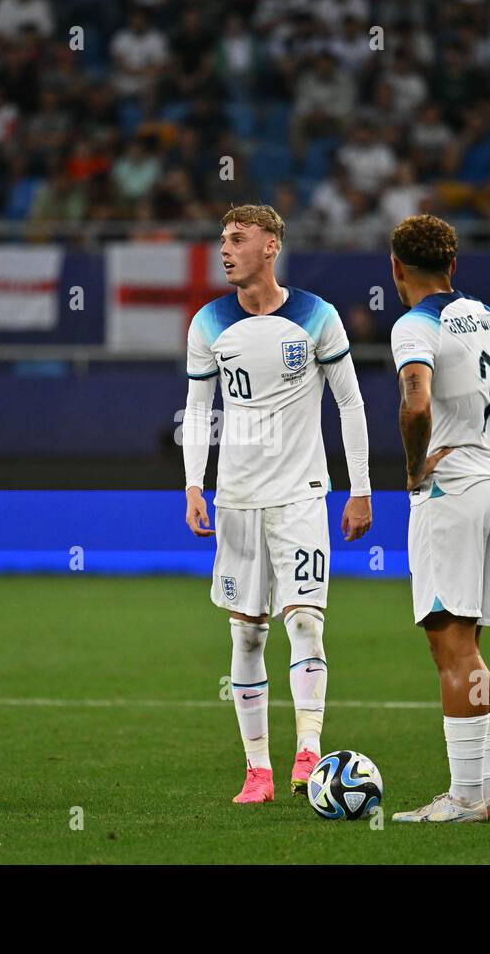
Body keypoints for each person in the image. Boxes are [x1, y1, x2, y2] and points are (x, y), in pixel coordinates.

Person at [182, 204, 372, 804]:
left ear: (270, 247)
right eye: (222, 240)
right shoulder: (208, 323)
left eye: (237, 239)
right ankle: (257, 771)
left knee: (307, 624)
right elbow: (198, 409)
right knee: (246, 637)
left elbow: (350, 404)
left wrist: (360, 487)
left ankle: (309, 753)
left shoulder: (317, 316)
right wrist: (193, 484)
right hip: (237, 501)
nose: (225, 249)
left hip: (301, 496)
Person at [385, 214, 490, 823]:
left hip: (451, 495)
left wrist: (413, 469)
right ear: (453, 266)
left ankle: (465, 797)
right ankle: (486, 794)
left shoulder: (413, 324)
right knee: (470, 645)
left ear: (397, 269)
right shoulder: (485, 316)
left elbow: (416, 402)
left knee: (451, 646)